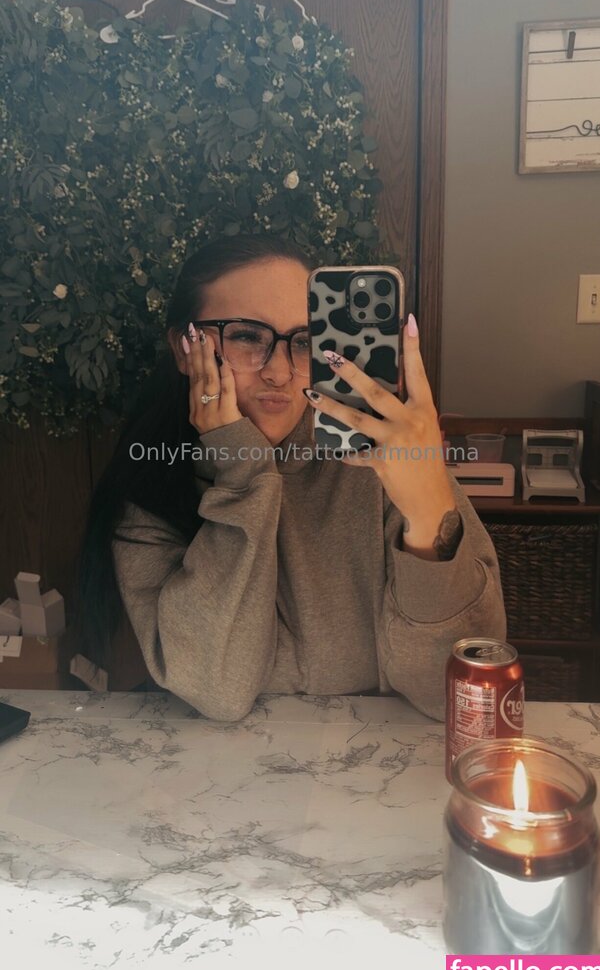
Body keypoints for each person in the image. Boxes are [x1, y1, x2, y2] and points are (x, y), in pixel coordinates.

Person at [75, 235, 506, 721]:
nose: (279, 372)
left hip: (384, 760)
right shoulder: (150, 494)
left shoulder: (378, 462)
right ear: (183, 347)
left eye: (303, 342)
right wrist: (241, 470)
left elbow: (456, 696)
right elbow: (218, 690)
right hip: (222, 766)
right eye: (246, 336)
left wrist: (429, 518)